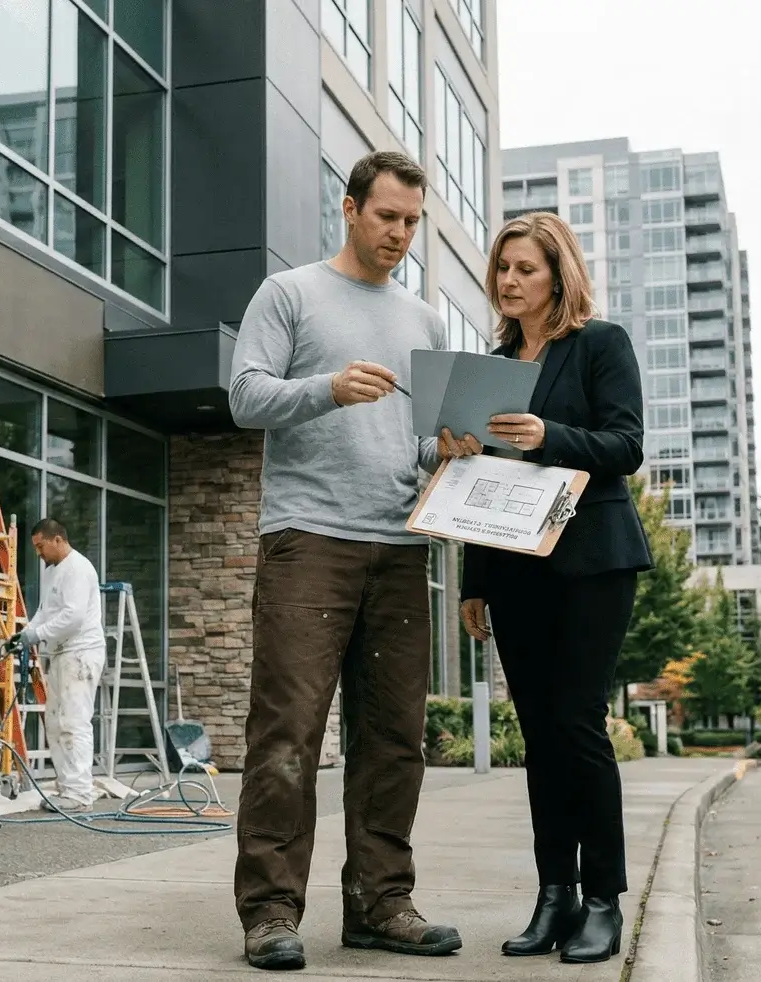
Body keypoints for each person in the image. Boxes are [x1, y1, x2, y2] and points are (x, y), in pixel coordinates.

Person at [227, 149, 466, 972]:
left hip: (401, 546)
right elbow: (245, 396)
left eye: (412, 222)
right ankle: (269, 912)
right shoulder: (289, 293)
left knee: (396, 737)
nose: (400, 233)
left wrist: (450, 447)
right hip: (308, 540)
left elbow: (420, 441)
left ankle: (380, 903)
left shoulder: (425, 320)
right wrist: (327, 387)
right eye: (387, 216)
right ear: (351, 208)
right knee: (288, 733)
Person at [443, 211, 654, 964]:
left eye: (525, 269)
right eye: (502, 269)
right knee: (538, 735)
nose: (509, 281)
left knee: (576, 724)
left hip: (592, 562)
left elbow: (626, 445)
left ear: (558, 276)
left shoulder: (601, 344)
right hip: (513, 568)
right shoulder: (492, 365)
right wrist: (473, 580)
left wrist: (549, 436)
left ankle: (603, 901)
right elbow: (476, 476)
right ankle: (554, 895)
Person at [11, 518, 106, 814]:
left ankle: (79, 794)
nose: (38, 553)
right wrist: (25, 633)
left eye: (41, 546)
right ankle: (66, 788)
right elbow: (45, 612)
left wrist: (36, 635)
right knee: (55, 722)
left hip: (80, 654)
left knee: (74, 722)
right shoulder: (53, 571)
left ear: (57, 540)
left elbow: (72, 618)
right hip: (62, 655)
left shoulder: (78, 569)